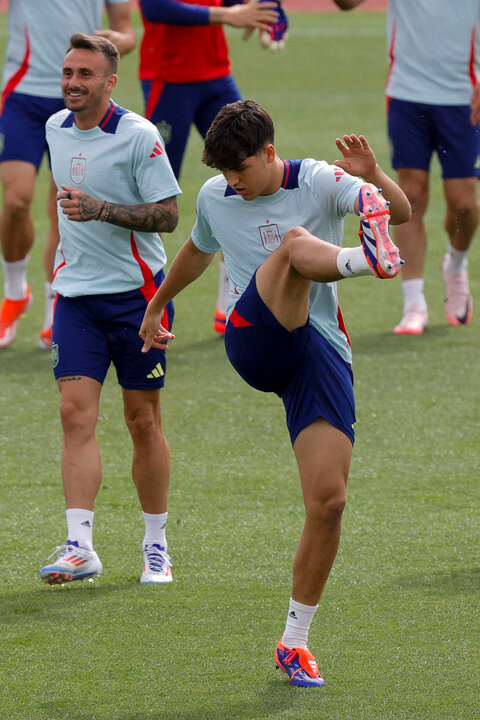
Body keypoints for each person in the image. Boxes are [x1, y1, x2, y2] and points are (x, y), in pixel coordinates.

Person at [139, 100, 411, 685]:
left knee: (329, 502)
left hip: (318, 351)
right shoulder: (217, 197)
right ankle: (362, 261)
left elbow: (403, 213)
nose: (231, 182)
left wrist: (373, 181)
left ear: (269, 153)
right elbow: (196, 251)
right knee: (291, 244)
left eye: (240, 169)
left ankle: (294, 641)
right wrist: (158, 303)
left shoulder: (316, 178)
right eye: (223, 172)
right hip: (254, 341)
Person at [38, 33, 181, 587]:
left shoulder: (139, 136)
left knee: (142, 421)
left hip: (137, 299)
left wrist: (101, 210)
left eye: (86, 75)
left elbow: (168, 216)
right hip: (76, 296)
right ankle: (80, 546)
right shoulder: (54, 128)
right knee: (75, 414)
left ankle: (155, 543)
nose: (74, 82)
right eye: (69, 72)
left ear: (110, 82)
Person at [138, 0, 287, 334]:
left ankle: (233, 299)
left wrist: (264, 8)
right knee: (156, 197)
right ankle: (148, 299)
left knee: (252, 175)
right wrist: (229, 16)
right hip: (168, 77)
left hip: (216, 76)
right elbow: (154, 7)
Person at [334, 0, 480, 335]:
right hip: (407, 93)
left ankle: (455, 265)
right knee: (410, 194)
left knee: (464, 204)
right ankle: (414, 304)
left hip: (463, 95)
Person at [0, 0, 136, 350]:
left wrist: (117, 42)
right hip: (23, 93)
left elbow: (127, 30)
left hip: (80, 95)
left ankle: (55, 303)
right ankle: (15, 292)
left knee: (64, 208)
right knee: (16, 201)